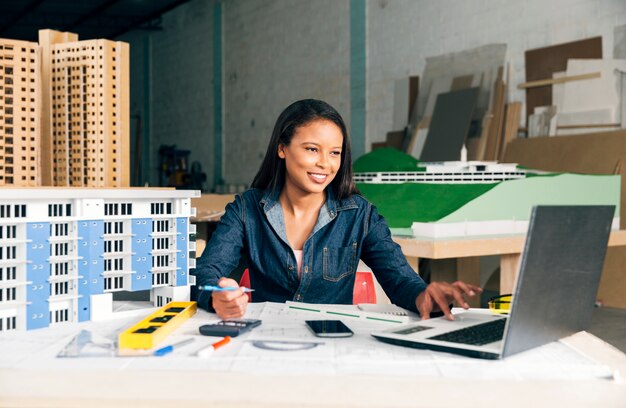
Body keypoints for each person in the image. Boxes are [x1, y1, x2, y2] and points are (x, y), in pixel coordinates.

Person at [192, 99, 481, 320]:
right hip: (265, 343)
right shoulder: (247, 210)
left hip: (333, 343)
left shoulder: (360, 215)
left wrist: (424, 294)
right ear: (282, 148)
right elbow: (206, 272)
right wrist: (218, 294)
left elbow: (400, 280)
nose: (325, 163)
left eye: (334, 153)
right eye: (311, 149)